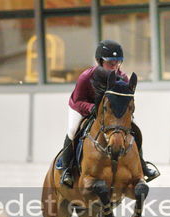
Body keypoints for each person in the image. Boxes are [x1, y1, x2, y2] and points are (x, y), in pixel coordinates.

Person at [59, 40, 160, 188]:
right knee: (73, 130)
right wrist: (92, 108)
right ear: (100, 61)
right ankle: (66, 167)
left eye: (118, 62)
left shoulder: (123, 78)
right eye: (110, 62)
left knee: (133, 130)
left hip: (110, 113)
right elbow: (78, 100)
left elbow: (125, 101)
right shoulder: (86, 77)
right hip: (82, 108)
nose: (114, 66)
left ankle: (143, 166)